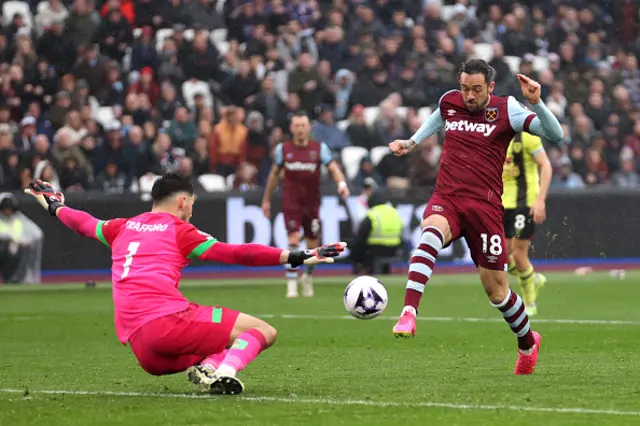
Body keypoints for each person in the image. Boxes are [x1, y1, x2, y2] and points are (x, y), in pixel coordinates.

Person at [25, 174, 346, 395]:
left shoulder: (121, 227)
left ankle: (209, 368)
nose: (192, 211)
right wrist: (299, 255)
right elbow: (235, 253)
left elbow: (83, 223)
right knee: (263, 331)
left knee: (221, 340)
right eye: (191, 204)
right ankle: (225, 372)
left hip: (143, 349)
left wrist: (56, 206)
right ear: (181, 201)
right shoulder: (180, 231)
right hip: (168, 323)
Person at [388, 59, 563, 375]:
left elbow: (556, 134)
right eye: (465, 88)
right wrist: (412, 142)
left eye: (476, 90)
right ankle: (409, 311)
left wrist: (538, 102)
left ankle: (527, 342)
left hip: (485, 209)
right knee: (430, 232)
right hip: (448, 198)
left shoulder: (507, 110)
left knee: (497, 292)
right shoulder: (449, 102)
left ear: (491, 87)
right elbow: (437, 118)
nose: (468, 96)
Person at [261, 111, 350, 298]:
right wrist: (266, 200)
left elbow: (333, 168)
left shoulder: (319, 148)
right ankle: (291, 282)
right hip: (291, 202)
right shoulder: (283, 150)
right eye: (297, 126)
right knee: (293, 239)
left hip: (312, 204)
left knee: (313, 244)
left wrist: (341, 184)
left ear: (309, 128)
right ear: (291, 128)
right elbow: (273, 176)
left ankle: (307, 276)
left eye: (303, 125)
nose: (300, 129)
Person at [502, 132, 552, 316]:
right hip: (502, 204)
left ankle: (530, 302)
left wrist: (540, 200)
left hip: (524, 203)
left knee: (518, 253)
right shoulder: (496, 134)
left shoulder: (527, 137)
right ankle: (533, 278)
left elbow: (546, 165)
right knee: (504, 259)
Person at [349, 190, 404, 274]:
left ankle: (360, 272)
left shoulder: (372, 215)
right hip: (394, 250)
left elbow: (361, 236)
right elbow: (403, 233)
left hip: (374, 251)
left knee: (357, 247)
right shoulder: (395, 212)